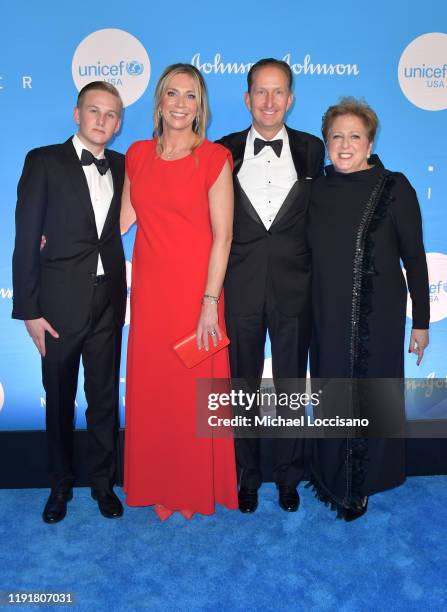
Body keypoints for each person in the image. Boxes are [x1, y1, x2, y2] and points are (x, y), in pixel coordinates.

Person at [120, 63, 238, 520]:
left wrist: (210, 303)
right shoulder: (136, 154)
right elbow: (123, 221)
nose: (180, 104)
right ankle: (158, 484)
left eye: (190, 96)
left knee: (192, 393)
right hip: (150, 295)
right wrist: (64, 238)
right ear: (160, 101)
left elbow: (223, 237)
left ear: (200, 106)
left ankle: (191, 488)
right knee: (156, 392)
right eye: (173, 93)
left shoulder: (213, 159)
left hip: (197, 295)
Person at [308, 97, 430, 520]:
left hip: (377, 317)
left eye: (354, 137)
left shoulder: (394, 187)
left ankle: (362, 484)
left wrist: (422, 323)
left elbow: (414, 258)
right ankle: (329, 474)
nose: (345, 145)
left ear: (370, 141)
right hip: (324, 312)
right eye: (336, 137)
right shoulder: (315, 189)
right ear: (326, 142)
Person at [12, 81, 127, 523]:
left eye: (111, 114)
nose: (102, 120)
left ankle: (103, 484)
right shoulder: (43, 161)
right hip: (56, 305)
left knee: (102, 398)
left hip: (109, 301)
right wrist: (29, 310)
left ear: (119, 123)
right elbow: (26, 241)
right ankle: (59, 487)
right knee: (58, 398)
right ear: (76, 114)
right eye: (94, 110)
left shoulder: (122, 165)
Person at [217, 58, 325, 513]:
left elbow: (337, 207)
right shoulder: (221, 151)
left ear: (291, 99)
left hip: (295, 287)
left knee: (289, 386)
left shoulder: (313, 149)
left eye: (278, 91)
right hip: (239, 286)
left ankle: (288, 477)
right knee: (241, 385)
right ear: (247, 98)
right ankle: (245, 475)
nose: (269, 101)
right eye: (260, 91)